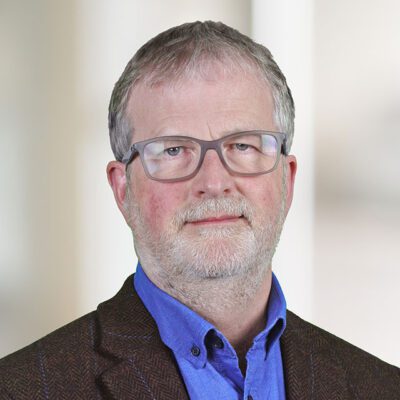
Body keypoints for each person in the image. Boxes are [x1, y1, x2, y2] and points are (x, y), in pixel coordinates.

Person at [0, 21, 398, 400]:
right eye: (173, 150)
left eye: (243, 146)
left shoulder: (383, 388)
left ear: (287, 180)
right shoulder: (21, 389)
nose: (213, 181)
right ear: (123, 189)